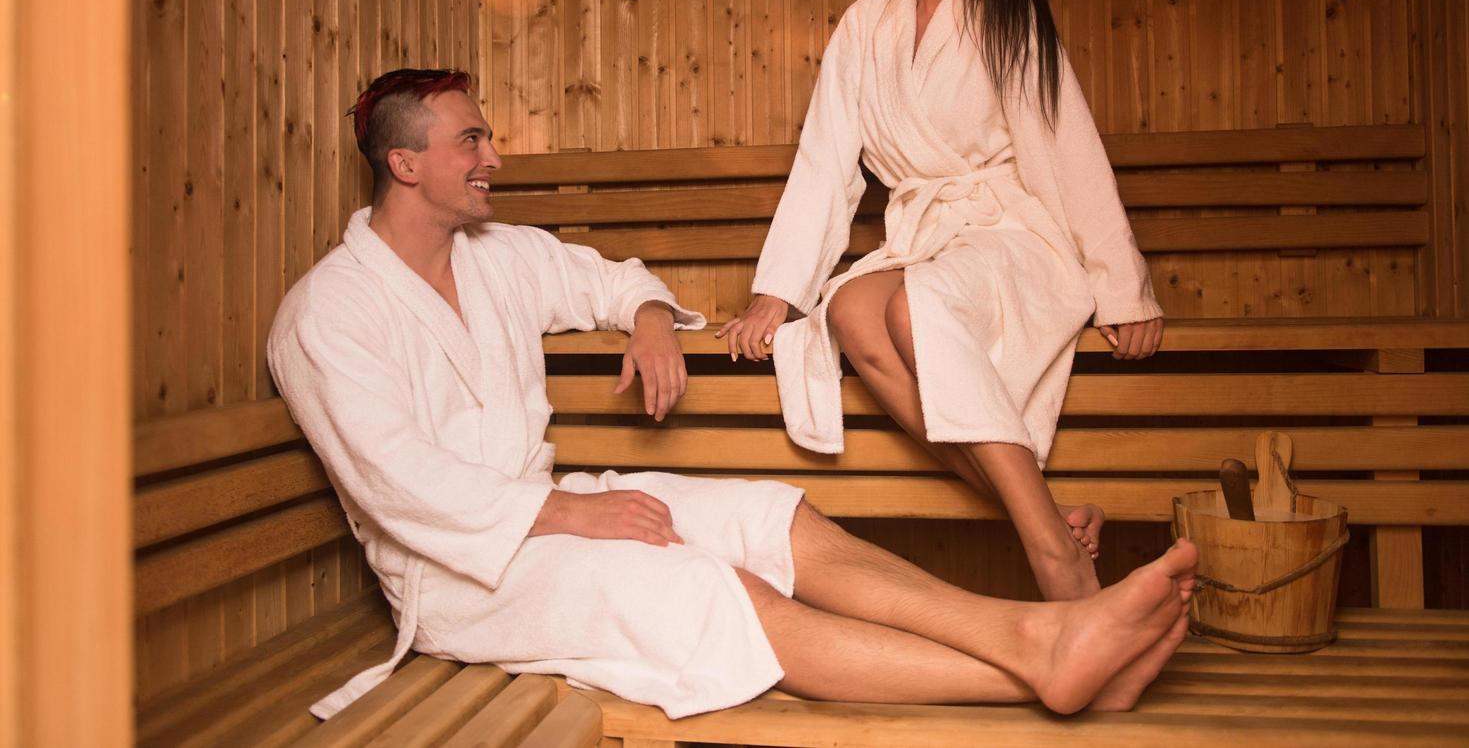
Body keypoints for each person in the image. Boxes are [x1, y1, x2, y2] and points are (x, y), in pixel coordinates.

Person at [268, 68, 1195, 723]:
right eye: (471, 139)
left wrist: (648, 320)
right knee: (710, 587)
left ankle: (1051, 634)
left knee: (771, 518)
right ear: (405, 164)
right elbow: (397, 480)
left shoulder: (499, 256)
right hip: (460, 575)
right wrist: (571, 514)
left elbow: (614, 278)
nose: (494, 156)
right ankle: (1040, 665)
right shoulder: (327, 312)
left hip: (545, 510)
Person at [719, 0, 1165, 602]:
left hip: (1012, 235)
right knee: (849, 311)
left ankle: (1053, 559)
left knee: (911, 307)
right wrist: (778, 293)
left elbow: (1068, 154)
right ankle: (1049, 520)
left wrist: (1122, 289)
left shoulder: (1008, 19)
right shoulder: (866, 25)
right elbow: (825, 163)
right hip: (928, 239)